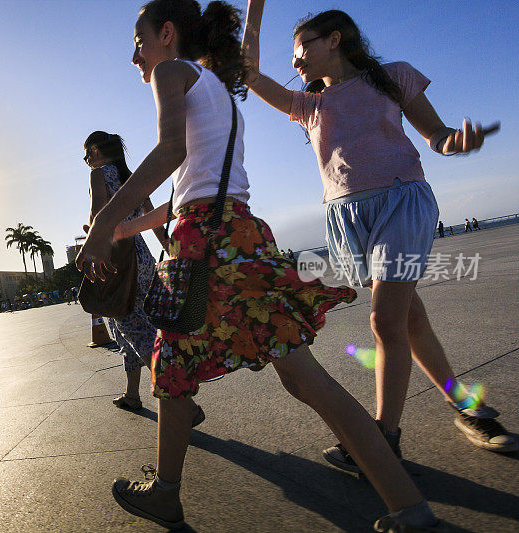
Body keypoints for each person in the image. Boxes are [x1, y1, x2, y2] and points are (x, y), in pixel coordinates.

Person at [77, 1, 440, 529]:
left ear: (168, 34)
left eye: (139, 40)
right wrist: (128, 228)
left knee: (175, 364)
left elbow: (169, 151)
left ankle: (167, 493)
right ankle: (407, 503)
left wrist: (105, 224)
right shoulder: (217, 89)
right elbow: (192, 185)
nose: (134, 54)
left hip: (203, 242)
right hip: (238, 230)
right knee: (299, 375)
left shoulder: (174, 73)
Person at [242, 0, 516, 475]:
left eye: (303, 44)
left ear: (335, 39)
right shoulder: (309, 105)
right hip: (348, 218)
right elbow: (246, 72)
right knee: (409, 321)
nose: (295, 60)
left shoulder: (392, 77)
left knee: (384, 322)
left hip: (400, 202)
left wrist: (457, 141)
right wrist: (255, 6)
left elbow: (436, 133)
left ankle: (382, 438)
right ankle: (469, 409)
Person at [83, 130, 205, 423]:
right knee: (130, 323)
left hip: (114, 257)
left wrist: (92, 241)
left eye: (87, 153)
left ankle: (183, 403)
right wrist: (168, 248)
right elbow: (152, 216)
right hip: (141, 256)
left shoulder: (99, 174)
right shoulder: (131, 177)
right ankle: (132, 394)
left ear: (97, 150)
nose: (86, 160)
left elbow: (98, 213)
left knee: (133, 329)